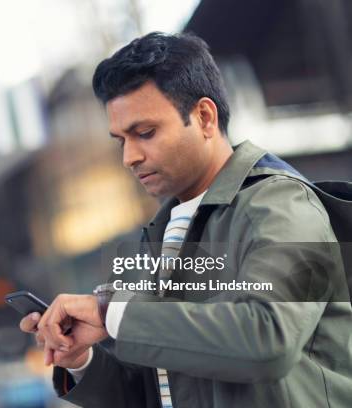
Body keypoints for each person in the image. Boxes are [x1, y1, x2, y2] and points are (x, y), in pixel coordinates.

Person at [18, 32, 352, 407]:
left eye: (145, 133)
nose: (129, 157)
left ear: (204, 117)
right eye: (120, 140)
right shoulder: (165, 234)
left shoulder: (284, 205)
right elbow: (156, 393)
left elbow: (269, 338)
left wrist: (111, 313)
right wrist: (81, 360)